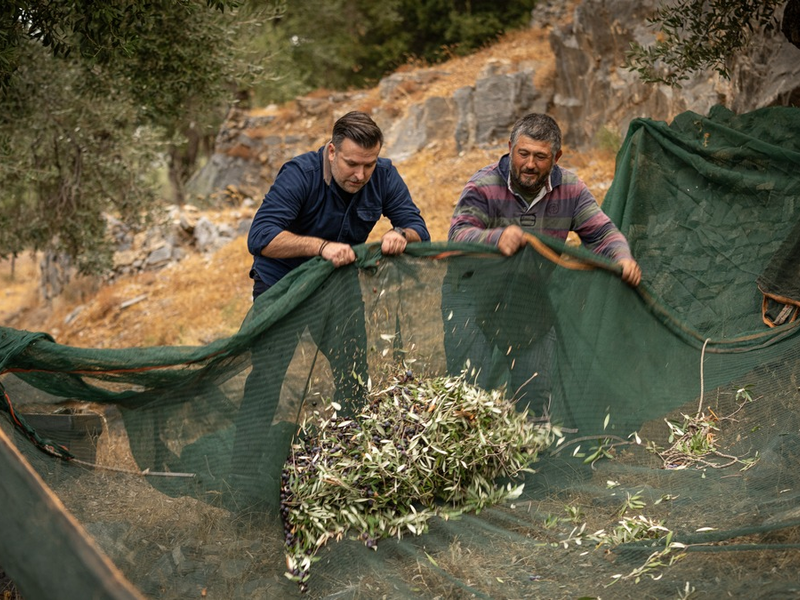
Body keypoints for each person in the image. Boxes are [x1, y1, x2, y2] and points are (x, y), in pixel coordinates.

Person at [231, 111, 430, 508]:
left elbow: (416, 225)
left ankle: (350, 467)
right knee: (267, 379)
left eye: (368, 165)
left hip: (337, 289)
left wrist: (398, 234)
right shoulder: (300, 174)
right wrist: (319, 247)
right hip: (281, 286)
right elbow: (262, 236)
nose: (360, 174)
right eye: (351, 163)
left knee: (355, 374)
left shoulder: (385, 176)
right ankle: (241, 478)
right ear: (332, 151)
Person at [443, 113, 641, 410]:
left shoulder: (571, 189)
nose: (530, 164)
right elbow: (458, 235)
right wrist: (496, 239)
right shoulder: (484, 184)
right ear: (510, 147)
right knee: (470, 391)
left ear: (556, 157)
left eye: (540, 156)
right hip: (471, 294)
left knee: (534, 389)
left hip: (530, 297)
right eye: (523, 153)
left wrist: (622, 258)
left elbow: (602, 233)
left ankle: (530, 451)